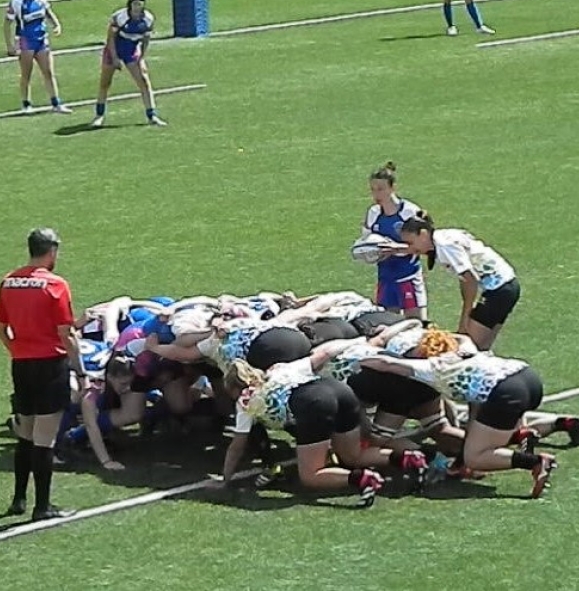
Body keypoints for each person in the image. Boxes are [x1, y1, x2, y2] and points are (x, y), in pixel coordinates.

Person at [358, 327, 557, 498]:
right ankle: (520, 434)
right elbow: (464, 337)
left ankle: (535, 462)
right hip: (527, 377)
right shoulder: (466, 350)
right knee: (478, 434)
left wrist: (359, 355)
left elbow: (388, 364)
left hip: (505, 392)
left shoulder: (432, 367)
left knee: (475, 457)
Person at [219, 347, 428, 507]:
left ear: (235, 388)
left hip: (313, 402)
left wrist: (225, 479)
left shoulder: (246, 401)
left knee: (311, 475)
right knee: (353, 455)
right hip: (338, 389)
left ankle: (362, 479)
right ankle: (408, 458)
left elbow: (237, 446)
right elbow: (323, 354)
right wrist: (357, 343)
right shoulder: (281, 370)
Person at [0, 228, 82, 521]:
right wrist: (80, 371)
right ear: (52, 251)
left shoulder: (9, 281)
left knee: (25, 434)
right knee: (45, 438)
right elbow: (66, 334)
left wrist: (15, 349)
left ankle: (18, 499)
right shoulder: (55, 284)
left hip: (21, 365)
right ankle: (42, 507)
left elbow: (0, 326)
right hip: (50, 366)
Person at [400, 213, 519, 351]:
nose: (410, 248)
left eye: (410, 243)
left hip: (498, 290)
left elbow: (470, 280)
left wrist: (465, 319)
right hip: (508, 286)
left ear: (423, 234)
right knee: (482, 347)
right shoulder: (441, 236)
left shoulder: (445, 245)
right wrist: (399, 249)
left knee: (467, 346)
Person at [91, 0, 166, 128]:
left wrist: (141, 57)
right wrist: (114, 57)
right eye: (135, 3)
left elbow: (145, 39)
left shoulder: (148, 19)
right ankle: (99, 115)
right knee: (105, 83)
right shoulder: (120, 17)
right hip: (115, 48)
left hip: (131, 50)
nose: (137, 7)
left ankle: (152, 115)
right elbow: (110, 38)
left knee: (144, 80)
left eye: (140, 4)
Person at [362, 162, 427, 320]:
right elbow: (366, 242)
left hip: (408, 276)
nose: (376, 194)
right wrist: (369, 252)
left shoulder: (409, 212)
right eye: (373, 189)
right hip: (385, 278)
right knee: (388, 323)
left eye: (381, 189)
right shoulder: (373, 213)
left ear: (392, 188)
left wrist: (395, 249)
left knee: (417, 324)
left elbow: (425, 246)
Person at [3, 0, 71, 114]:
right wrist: (9, 45)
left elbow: (48, 12)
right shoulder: (16, 1)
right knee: (26, 74)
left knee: (48, 72)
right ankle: (26, 104)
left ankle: (56, 103)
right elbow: (7, 24)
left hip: (42, 39)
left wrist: (56, 25)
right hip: (26, 41)